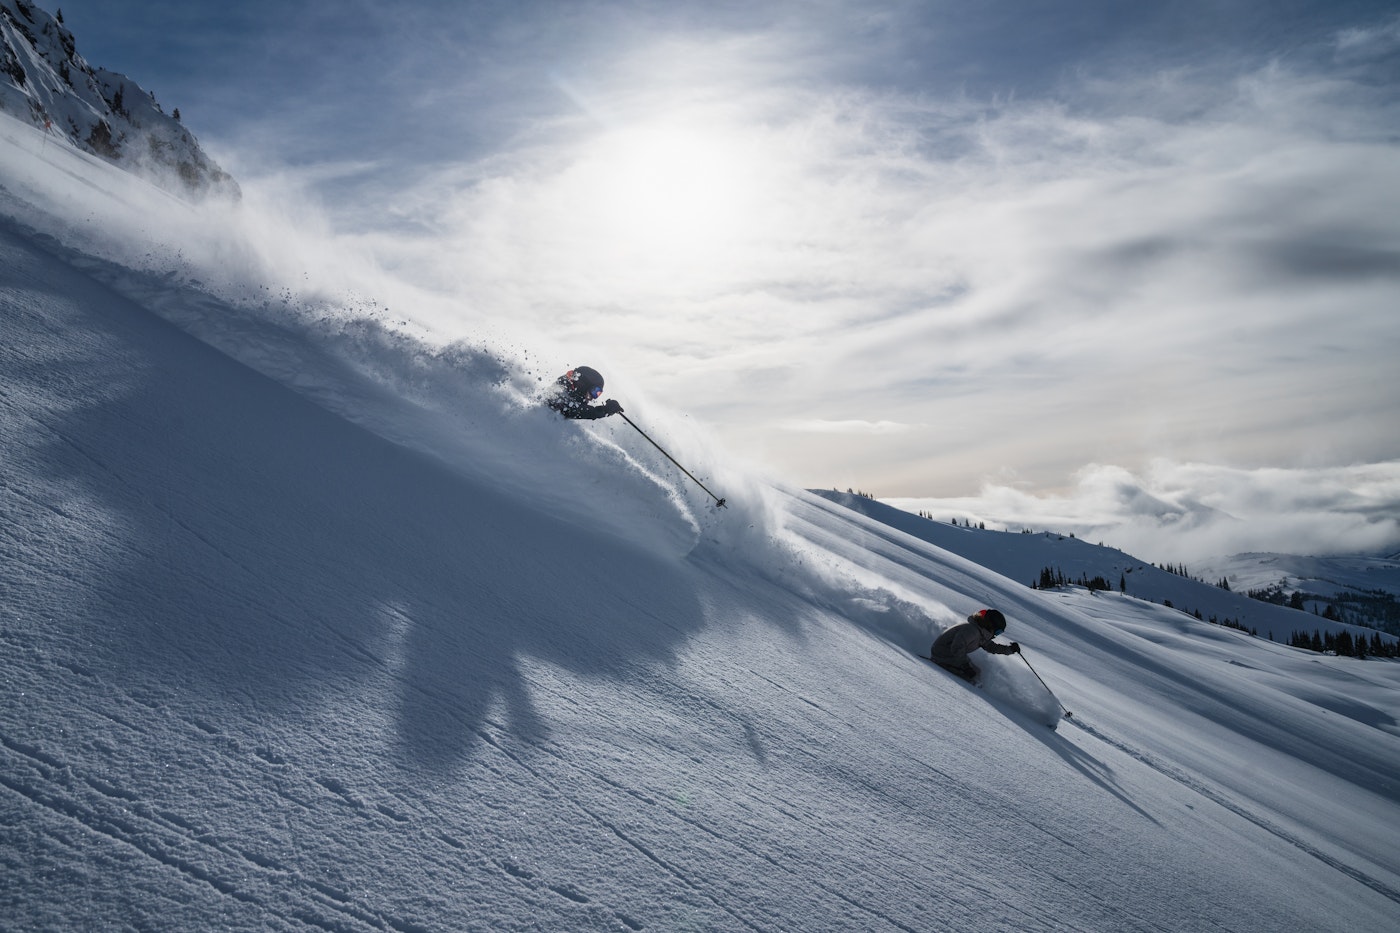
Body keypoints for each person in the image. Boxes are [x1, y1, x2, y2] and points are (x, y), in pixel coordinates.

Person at [929, 609, 1020, 683]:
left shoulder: (981, 633)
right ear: (991, 625)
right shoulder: (972, 630)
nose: (996, 635)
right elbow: (957, 647)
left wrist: (1010, 649)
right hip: (941, 654)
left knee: (976, 672)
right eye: (997, 632)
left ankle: (973, 685)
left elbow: (992, 647)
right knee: (973, 674)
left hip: (950, 655)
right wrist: (965, 666)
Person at [547, 366, 624, 420]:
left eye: (598, 393)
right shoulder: (559, 393)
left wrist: (606, 410)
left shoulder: (573, 396)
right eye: (594, 391)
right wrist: (605, 410)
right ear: (582, 385)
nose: (593, 398)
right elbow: (577, 411)